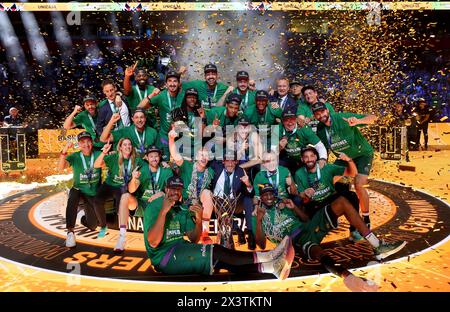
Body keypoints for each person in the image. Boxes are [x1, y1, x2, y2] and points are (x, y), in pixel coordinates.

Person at [253, 183, 406, 291]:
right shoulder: (259, 215)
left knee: (342, 202)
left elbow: (306, 219)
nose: (268, 196)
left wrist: (295, 208)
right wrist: (259, 220)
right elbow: (260, 244)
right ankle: (348, 277)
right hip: (295, 241)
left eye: (270, 193)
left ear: (274, 195)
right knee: (318, 253)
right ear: (261, 197)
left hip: (308, 227)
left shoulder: (284, 206)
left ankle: (376, 244)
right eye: (265, 194)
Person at [143, 176, 295, 280]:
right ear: (165, 188)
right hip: (163, 257)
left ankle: (273, 268)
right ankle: (268, 256)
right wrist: (163, 211)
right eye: (172, 189)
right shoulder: (155, 206)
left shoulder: (182, 209)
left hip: (181, 247)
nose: (175, 192)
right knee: (214, 251)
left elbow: (194, 239)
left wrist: (199, 220)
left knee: (219, 260)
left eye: (178, 189)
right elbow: (154, 243)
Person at [313, 101, 377, 229]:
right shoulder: (320, 129)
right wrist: (322, 161)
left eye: (322, 111)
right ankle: (328, 215)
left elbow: (373, 118)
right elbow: (323, 148)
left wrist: (358, 121)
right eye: (317, 114)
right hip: (343, 158)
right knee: (327, 181)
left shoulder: (342, 118)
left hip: (362, 154)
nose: (321, 115)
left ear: (327, 111)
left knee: (358, 184)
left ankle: (366, 218)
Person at [93, 138, 146, 251]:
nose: (127, 146)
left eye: (129, 144)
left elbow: (149, 164)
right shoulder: (113, 157)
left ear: (132, 147)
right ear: (120, 147)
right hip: (109, 184)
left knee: (121, 206)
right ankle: (103, 226)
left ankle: (122, 236)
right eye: (125, 145)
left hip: (123, 187)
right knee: (97, 200)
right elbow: (97, 165)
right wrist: (104, 152)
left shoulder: (137, 161)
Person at [168, 128, 215, 244]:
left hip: (200, 206)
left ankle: (205, 232)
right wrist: (171, 139)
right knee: (193, 239)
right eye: (201, 155)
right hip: (185, 203)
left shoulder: (211, 172)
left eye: (206, 155)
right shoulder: (187, 166)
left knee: (207, 193)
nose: (204, 158)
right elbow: (174, 154)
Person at [57, 132, 103, 248]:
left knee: (92, 225)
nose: (86, 144)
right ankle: (70, 232)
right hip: (78, 190)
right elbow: (60, 168)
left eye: (88, 141)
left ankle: (82, 214)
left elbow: (107, 162)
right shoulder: (75, 156)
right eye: (82, 142)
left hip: (92, 192)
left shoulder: (98, 154)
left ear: (92, 143)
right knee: (73, 196)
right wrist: (64, 150)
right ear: (79, 144)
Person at [210, 151, 256, 249]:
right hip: (218, 202)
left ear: (236, 162)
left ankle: (250, 233)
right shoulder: (216, 168)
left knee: (247, 198)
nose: (230, 164)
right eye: (227, 161)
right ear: (223, 161)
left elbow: (251, 193)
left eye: (233, 161)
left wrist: (247, 184)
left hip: (234, 203)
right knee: (220, 205)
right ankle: (237, 229)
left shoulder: (240, 171)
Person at [138, 70, 184, 159]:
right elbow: (139, 107)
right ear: (166, 84)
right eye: (169, 81)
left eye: (175, 81)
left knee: (180, 165)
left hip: (179, 137)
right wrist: (151, 95)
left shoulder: (183, 96)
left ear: (179, 83)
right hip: (164, 137)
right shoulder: (160, 96)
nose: (172, 84)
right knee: (165, 163)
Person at [128, 145, 173, 217]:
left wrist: (163, 193)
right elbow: (131, 190)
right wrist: (134, 179)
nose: (154, 159)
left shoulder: (166, 171)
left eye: (156, 156)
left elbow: (172, 190)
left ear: (160, 156)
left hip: (159, 203)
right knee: (127, 196)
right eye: (151, 156)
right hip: (143, 203)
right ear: (146, 157)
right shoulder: (142, 170)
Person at [278, 108, 327, 173]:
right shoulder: (276, 129)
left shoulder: (304, 128)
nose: (290, 123)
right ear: (282, 121)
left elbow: (319, 145)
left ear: (296, 119)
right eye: (286, 120)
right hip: (288, 159)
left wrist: (323, 159)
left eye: (292, 119)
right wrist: (279, 147)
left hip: (304, 159)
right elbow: (271, 153)